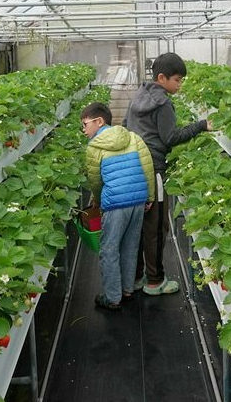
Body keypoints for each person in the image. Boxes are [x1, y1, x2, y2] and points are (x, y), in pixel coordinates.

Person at [123, 52, 213, 296]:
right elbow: (171, 138)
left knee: (137, 226)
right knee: (156, 226)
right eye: (177, 79)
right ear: (161, 78)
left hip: (133, 166)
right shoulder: (162, 103)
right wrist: (200, 126)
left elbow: (124, 127)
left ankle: (134, 277)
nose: (180, 84)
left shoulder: (138, 96)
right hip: (153, 169)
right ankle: (155, 281)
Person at [82, 102, 155, 311]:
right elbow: (147, 168)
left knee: (109, 249)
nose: (84, 130)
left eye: (85, 125)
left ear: (99, 121)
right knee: (131, 246)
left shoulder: (94, 148)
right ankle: (127, 290)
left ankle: (112, 297)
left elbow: (96, 181)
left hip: (115, 203)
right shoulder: (133, 137)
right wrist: (149, 197)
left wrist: (97, 202)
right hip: (138, 200)